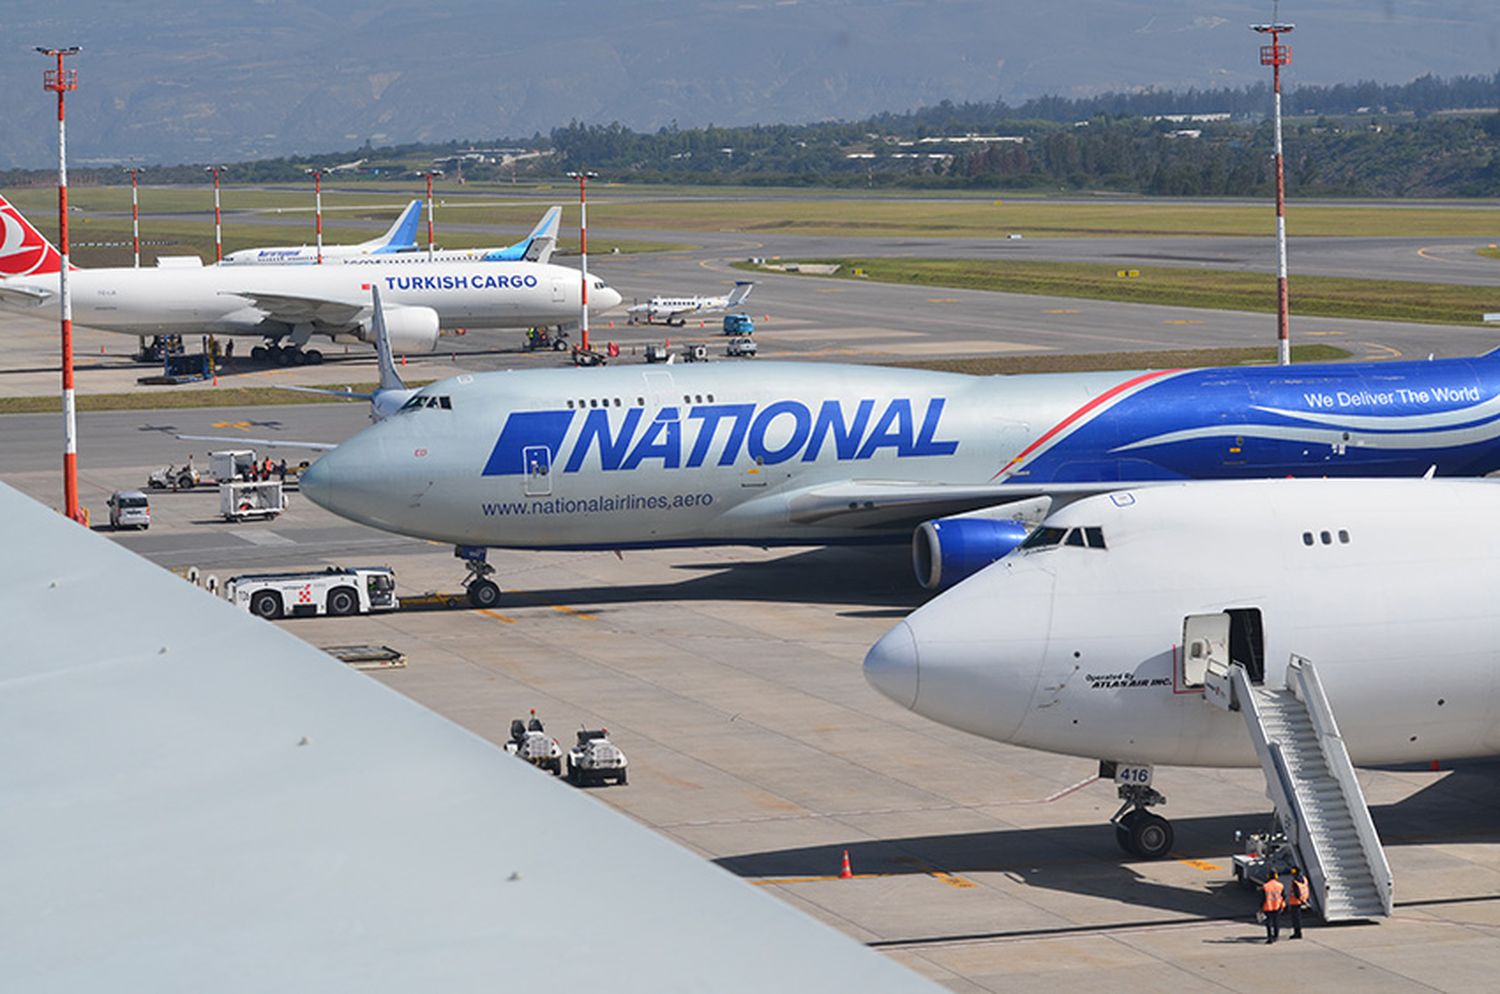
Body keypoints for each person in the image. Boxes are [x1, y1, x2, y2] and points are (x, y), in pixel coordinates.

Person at [1261, 870, 1285, 944]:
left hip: (1268, 906)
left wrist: (1261, 906)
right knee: (1276, 922)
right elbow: (1283, 896)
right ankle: (1276, 936)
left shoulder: (1265, 886)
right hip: (1277, 906)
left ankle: (1270, 937)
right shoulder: (1280, 885)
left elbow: (1263, 898)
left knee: (1268, 923)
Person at [1286, 866, 1310, 939]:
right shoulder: (1304, 879)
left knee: (1295, 919)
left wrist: (1299, 899)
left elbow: (1296, 893)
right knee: (1298, 918)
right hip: (1302, 901)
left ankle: (1297, 933)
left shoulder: (1295, 882)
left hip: (1295, 902)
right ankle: (1298, 932)